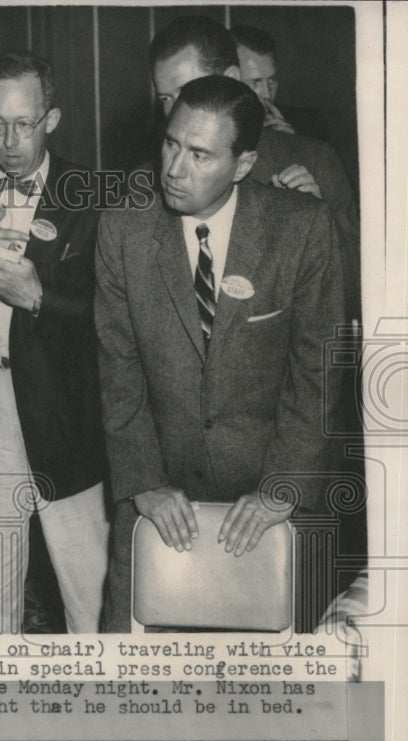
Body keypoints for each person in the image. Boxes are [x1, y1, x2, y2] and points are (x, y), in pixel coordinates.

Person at [95, 75, 344, 632]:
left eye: (200, 154)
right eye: (170, 143)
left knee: (269, 698)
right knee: (127, 688)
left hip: (268, 493)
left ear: (243, 163)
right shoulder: (124, 228)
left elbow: (318, 376)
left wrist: (282, 488)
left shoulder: (301, 229)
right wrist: (142, 484)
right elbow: (119, 370)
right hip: (158, 495)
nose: (174, 169)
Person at [0, 52, 109, 635]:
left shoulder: (90, 193)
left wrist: (38, 298)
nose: (9, 141)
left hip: (67, 415)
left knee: (92, 599)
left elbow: (114, 319)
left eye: (24, 124)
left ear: (51, 119)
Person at [148, 16, 359, 319]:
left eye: (187, 92)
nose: (175, 112)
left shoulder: (314, 158)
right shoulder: (152, 175)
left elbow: (359, 292)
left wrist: (320, 222)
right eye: (166, 98)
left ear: (232, 78)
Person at [231, 24, 332, 142]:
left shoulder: (311, 126)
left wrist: (291, 144)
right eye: (255, 83)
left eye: (272, 80)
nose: (267, 94)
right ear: (230, 78)